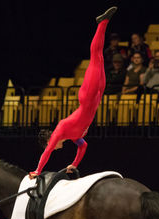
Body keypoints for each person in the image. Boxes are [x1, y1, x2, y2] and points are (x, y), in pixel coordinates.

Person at [29, 6, 118, 178]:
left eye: (50, 145)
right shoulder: (73, 137)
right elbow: (83, 146)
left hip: (87, 97)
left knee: (96, 56)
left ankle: (103, 22)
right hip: (96, 98)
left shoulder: (60, 130)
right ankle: (103, 23)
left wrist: (37, 171)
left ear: (49, 141)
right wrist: (74, 164)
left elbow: (47, 152)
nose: (53, 147)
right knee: (100, 58)